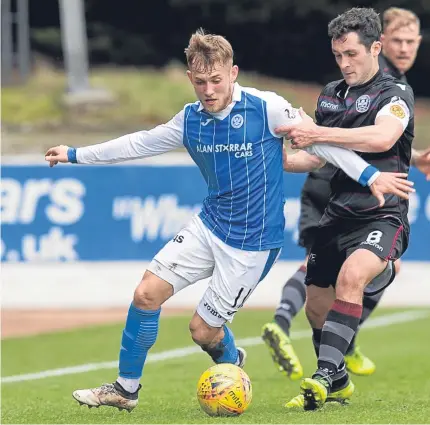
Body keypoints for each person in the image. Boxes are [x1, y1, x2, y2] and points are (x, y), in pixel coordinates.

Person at [45, 29, 413, 413]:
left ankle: (232, 365)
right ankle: (125, 389)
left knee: (202, 331)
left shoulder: (265, 107)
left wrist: (371, 177)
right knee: (145, 293)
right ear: (190, 78)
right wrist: (74, 154)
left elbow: (319, 142)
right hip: (210, 224)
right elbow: (138, 143)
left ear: (233, 73)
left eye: (216, 80)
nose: (208, 89)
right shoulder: (188, 120)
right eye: (200, 82)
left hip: (252, 244)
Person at [261, 6, 430, 387]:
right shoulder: (330, 96)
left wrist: (318, 132)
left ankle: (322, 376)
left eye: (351, 54)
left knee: (353, 276)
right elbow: (317, 157)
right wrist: (279, 160)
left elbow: (382, 137)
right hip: (337, 212)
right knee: (318, 305)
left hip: (382, 212)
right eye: (338, 56)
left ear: (375, 48)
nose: (344, 63)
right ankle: (337, 380)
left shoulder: (395, 92)